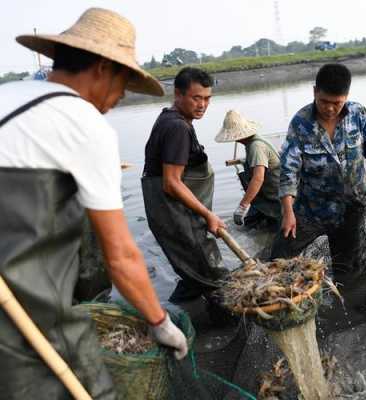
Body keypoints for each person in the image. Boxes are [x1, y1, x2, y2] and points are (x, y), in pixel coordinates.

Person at [0, 8, 187, 399]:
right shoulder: (84, 123)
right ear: (103, 68)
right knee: (86, 386)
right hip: (18, 318)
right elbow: (120, 255)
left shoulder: (10, 94)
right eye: (124, 83)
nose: (119, 99)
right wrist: (158, 321)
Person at [272, 63, 366, 282]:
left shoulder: (360, 115)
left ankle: (353, 312)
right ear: (314, 92)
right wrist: (288, 212)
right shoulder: (300, 123)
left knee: (350, 271)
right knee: (280, 258)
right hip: (310, 209)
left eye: (336, 103)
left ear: (346, 96)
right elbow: (288, 169)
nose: (329, 108)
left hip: (351, 208)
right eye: (324, 101)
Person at [142, 67, 227, 306]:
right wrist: (208, 215)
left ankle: (174, 310)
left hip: (169, 213)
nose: (202, 105)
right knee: (214, 275)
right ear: (178, 94)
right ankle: (222, 324)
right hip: (177, 214)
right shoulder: (177, 127)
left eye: (207, 98)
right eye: (196, 98)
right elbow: (171, 183)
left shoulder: (170, 118)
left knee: (193, 273)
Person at [215, 110, 281, 228]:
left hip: (276, 200)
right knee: (250, 225)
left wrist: (242, 206)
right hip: (265, 199)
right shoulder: (252, 143)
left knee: (274, 232)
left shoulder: (256, 147)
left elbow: (258, 178)